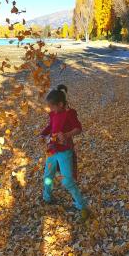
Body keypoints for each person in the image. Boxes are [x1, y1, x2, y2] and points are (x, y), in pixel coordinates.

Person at [40, 84, 89, 217]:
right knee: (47, 176)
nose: (50, 109)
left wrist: (66, 135)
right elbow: (51, 126)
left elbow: (78, 128)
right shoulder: (53, 114)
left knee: (67, 180)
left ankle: (81, 205)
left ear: (60, 104)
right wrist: (43, 134)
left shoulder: (69, 114)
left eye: (52, 106)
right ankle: (47, 197)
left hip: (64, 151)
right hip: (51, 150)